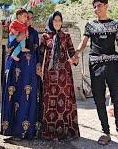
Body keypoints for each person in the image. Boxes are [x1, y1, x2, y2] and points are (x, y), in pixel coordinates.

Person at [74, 0, 118, 146]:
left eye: (99, 6)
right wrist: (77, 53)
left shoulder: (116, 24)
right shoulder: (90, 25)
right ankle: (105, 132)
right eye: (94, 6)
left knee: (117, 98)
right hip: (95, 65)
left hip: (112, 64)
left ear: (106, 6)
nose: (96, 9)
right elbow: (84, 42)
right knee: (99, 99)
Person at [39, 11, 80, 141]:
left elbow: (72, 51)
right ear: (51, 22)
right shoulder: (45, 36)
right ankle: (50, 131)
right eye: (55, 20)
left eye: (59, 20)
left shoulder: (66, 36)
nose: (57, 22)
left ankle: (64, 131)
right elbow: (40, 53)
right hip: (49, 74)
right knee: (49, 99)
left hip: (64, 74)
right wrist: (38, 66)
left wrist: (75, 59)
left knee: (64, 100)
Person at [0, 10, 41, 140]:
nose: (28, 20)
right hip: (14, 67)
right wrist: (18, 38)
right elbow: (9, 47)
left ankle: (29, 132)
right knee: (14, 96)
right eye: (26, 17)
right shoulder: (15, 28)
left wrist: (39, 64)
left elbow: (37, 49)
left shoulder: (34, 33)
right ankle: (13, 131)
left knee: (28, 98)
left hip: (29, 69)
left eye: (30, 18)